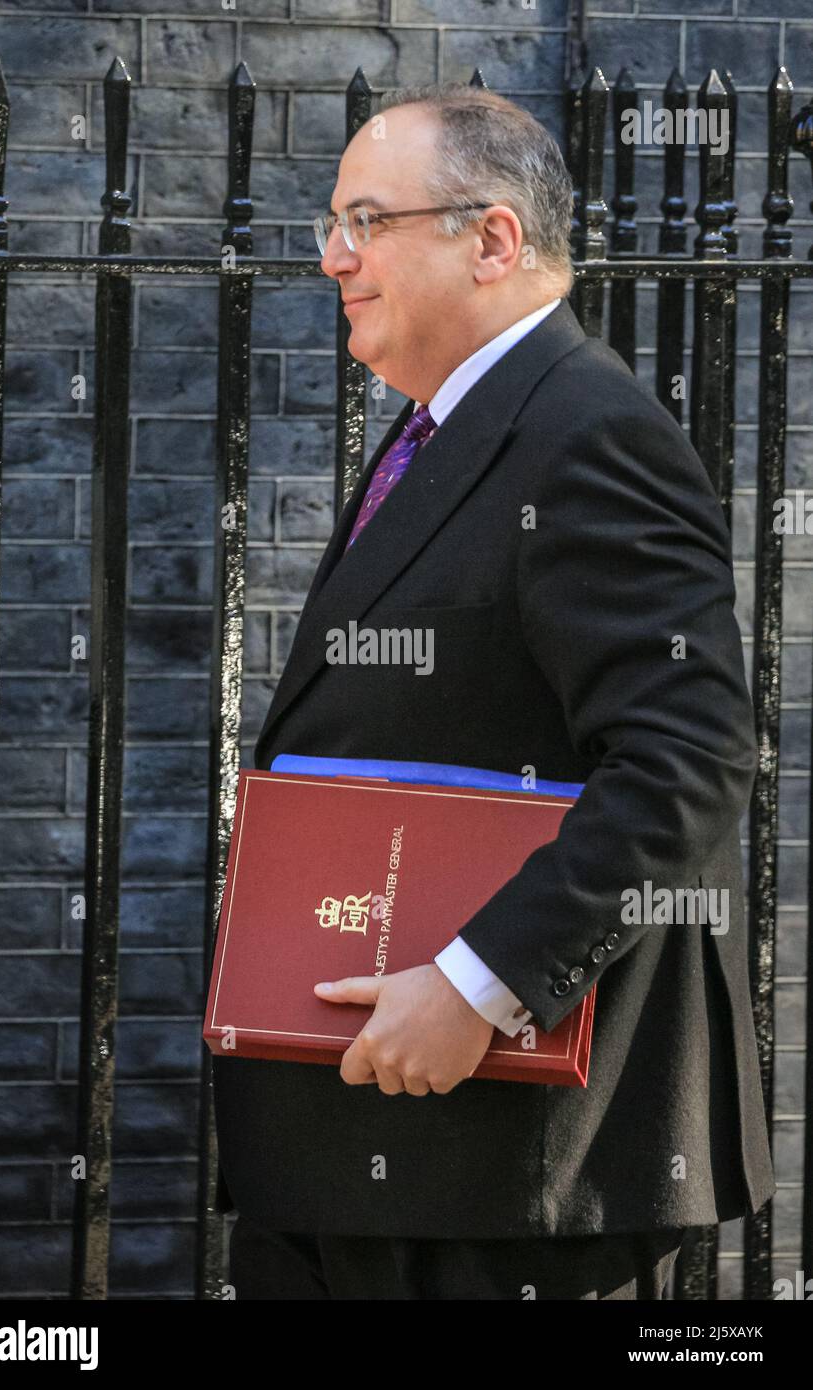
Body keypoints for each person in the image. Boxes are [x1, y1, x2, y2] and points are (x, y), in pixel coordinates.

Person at [211, 83, 775, 1300]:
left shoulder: (585, 433)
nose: (331, 257)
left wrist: (482, 982)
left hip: (502, 1175)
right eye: (329, 221)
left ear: (493, 239)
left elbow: (691, 752)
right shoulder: (442, 427)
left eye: (364, 219)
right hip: (377, 1151)